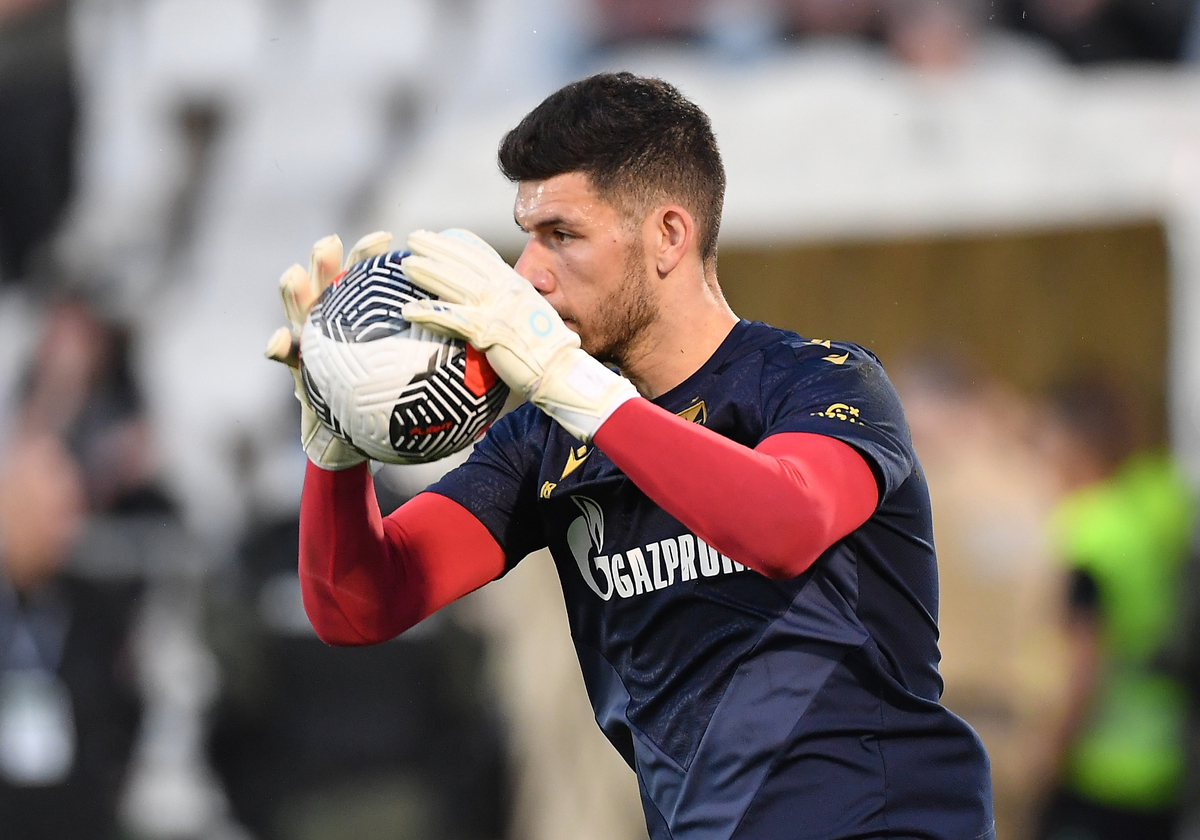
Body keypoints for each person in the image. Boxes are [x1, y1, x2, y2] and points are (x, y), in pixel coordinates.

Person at [267, 71, 994, 840]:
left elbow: (786, 524)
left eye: (563, 235)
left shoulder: (820, 381)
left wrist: (563, 377)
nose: (527, 273)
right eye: (527, 235)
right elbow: (359, 605)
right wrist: (336, 450)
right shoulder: (545, 438)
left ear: (669, 237)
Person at [1033, 373, 1196, 840]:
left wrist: (1048, 755)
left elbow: (1085, 662)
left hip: (1099, 770)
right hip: (1164, 760)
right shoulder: (1161, 498)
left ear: (1073, 443)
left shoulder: (1089, 533)